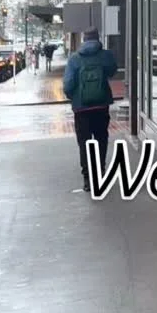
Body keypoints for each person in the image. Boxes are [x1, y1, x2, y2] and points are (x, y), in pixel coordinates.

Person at [62, 28, 117, 192]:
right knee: (101, 139)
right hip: (101, 106)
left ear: (84, 40)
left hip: (81, 109)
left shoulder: (74, 59)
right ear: (98, 39)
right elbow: (112, 71)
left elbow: (68, 85)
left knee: (84, 142)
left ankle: (87, 178)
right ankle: (100, 173)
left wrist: (74, 98)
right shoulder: (105, 55)